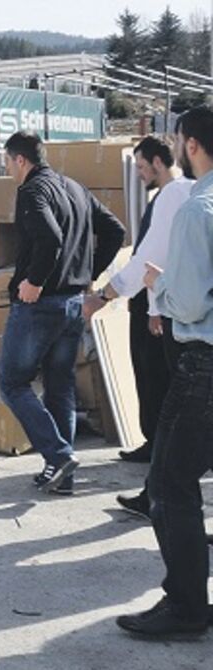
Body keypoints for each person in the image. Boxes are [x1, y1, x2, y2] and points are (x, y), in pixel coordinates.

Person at [116, 104, 213, 640]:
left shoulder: (197, 210)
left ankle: (186, 606)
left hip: (203, 362)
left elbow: (191, 304)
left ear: (190, 145)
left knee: (169, 483)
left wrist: (161, 287)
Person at [0, 130, 125, 494]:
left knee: (12, 383)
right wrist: (88, 273)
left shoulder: (32, 191)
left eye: (7, 163)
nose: (8, 170)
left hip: (40, 305)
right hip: (72, 304)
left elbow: (50, 238)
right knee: (60, 385)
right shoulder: (74, 188)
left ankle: (58, 455)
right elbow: (115, 231)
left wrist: (35, 280)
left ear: (21, 160)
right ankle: (62, 475)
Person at [82, 136, 193, 514]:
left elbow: (150, 258)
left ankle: (160, 496)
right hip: (171, 306)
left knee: (172, 403)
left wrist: (103, 296)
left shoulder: (175, 195)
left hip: (175, 311)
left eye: (143, 167)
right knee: (168, 397)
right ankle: (158, 485)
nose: (141, 174)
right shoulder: (187, 194)